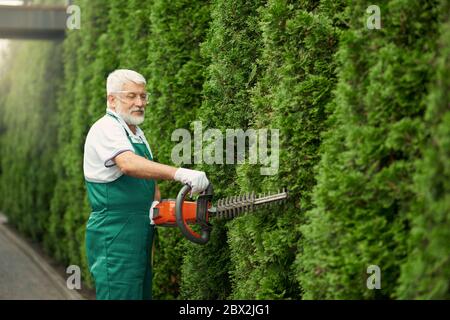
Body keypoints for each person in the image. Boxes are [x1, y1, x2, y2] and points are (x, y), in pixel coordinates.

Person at [83, 69, 209, 300]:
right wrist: (180, 173)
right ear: (112, 99)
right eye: (131, 96)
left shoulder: (136, 133)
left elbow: (149, 181)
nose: (139, 103)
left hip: (140, 231)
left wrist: (162, 210)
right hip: (115, 233)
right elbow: (128, 164)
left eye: (143, 96)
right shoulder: (106, 128)